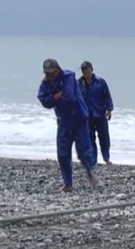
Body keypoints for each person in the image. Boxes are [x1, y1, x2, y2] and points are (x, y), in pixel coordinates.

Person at [36, 58, 99, 191]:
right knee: (63, 153)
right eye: (47, 73)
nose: (50, 76)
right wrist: (55, 97)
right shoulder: (45, 84)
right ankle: (68, 183)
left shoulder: (68, 77)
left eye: (52, 73)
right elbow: (44, 100)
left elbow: (70, 97)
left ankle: (91, 174)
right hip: (64, 121)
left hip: (79, 119)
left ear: (58, 70)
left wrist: (54, 98)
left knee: (84, 151)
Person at [77, 61, 115, 167]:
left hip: (100, 114)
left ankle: (106, 158)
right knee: (89, 138)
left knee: (104, 138)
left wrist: (109, 109)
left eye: (86, 69)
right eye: (83, 70)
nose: (85, 72)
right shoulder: (78, 84)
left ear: (91, 69)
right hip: (86, 116)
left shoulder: (100, 82)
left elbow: (107, 97)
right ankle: (93, 161)